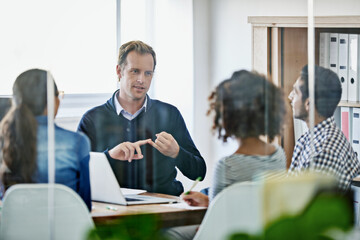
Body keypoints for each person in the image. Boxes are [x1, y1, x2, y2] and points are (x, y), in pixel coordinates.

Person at [164, 70, 287, 240]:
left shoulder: (227, 166)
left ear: (227, 117)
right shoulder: (278, 155)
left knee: (169, 234)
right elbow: (249, 207)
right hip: (259, 234)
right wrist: (209, 202)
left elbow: (214, 226)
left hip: (227, 235)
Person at [77, 40, 206, 196]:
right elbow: (78, 175)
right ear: (119, 72)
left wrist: (177, 153)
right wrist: (109, 156)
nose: (141, 80)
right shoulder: (92, 119)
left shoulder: (170, 114)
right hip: (113, 208)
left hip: (165, 209)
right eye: (135, 71)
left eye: (148, 73)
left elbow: (200, 172)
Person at [0, 69, 92, 211]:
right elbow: (85, 205)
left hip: (15, 232)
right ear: (52, 100)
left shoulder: (6, 140)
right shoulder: (77, 142)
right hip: (65, 231)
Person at [288, 65, 360, 191]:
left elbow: (304, 207)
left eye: (295, 92)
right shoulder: (314, 137)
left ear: (308, 103)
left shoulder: (322, 153)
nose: (290, 97)